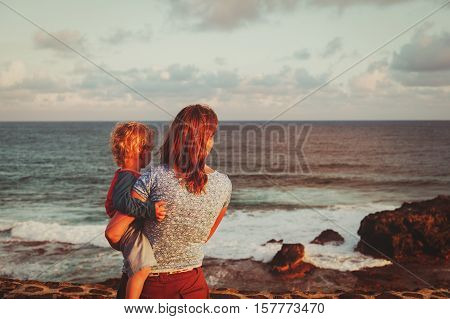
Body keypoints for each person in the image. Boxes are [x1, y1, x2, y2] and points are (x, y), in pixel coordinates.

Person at [114, 104, 232, 298]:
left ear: (176, 137)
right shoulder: (224, 184)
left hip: (147, 287)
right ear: (207, 141)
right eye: (211, 136)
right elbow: (203, 237)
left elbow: (114, 233)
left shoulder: (154, 176)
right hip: (193, 286)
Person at [104, 122, 166, 299]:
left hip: (130, 228)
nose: (150, 154)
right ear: (137, 149)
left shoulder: (129, 174)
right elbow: (122, 202)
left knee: (137, 267)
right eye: (148, 148)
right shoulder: (127, 175)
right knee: (142, 268)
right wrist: (150, 210)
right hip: (129, 230)